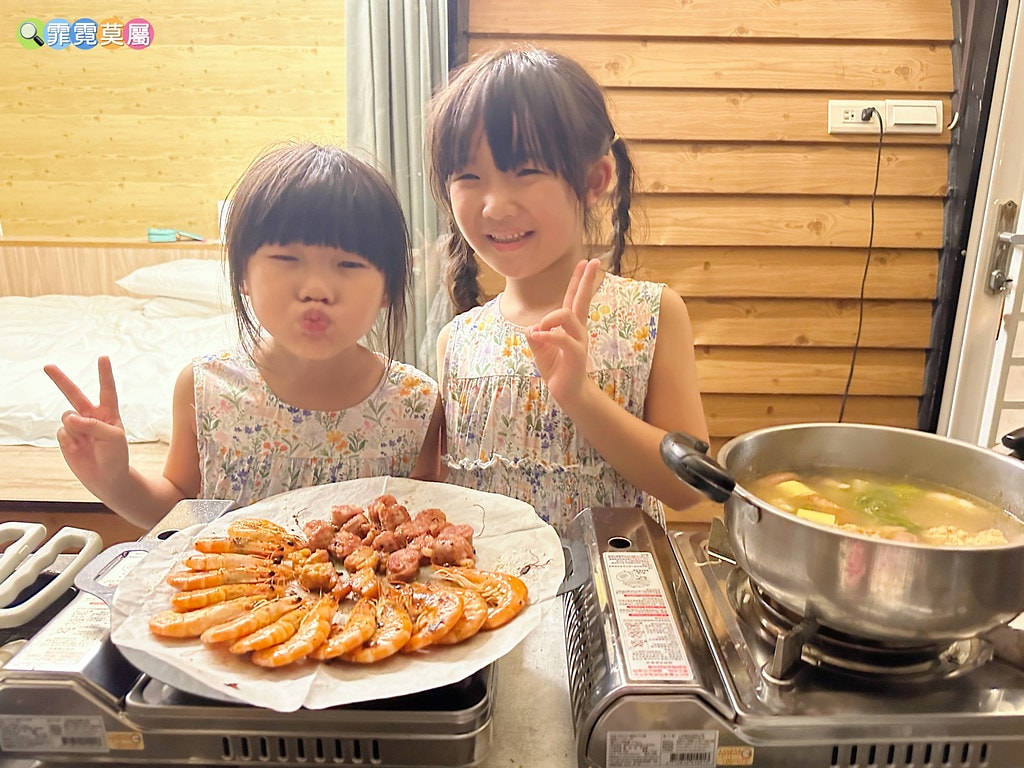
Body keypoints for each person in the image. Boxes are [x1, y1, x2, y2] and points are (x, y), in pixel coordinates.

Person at [44, 142, 444, 529]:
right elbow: (183, 515)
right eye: (287, 259)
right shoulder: (207, 390)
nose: (316, 288)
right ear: (242, 275)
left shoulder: (416, 406)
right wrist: (115, 481)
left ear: (389, 287)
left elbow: (416, 536)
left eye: (349, 264)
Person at [425, 46, 710, 533]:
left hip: (609, 599)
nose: (494, 206)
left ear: (595, 179)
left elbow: (689, 488)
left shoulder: (652, 314)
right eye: (469, 177)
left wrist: (579, 395)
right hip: (499, 605)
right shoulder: (458, 340)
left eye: (525, 172)